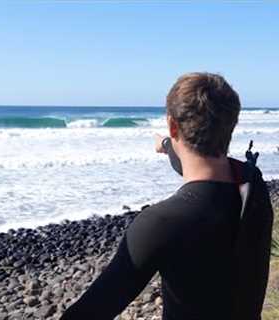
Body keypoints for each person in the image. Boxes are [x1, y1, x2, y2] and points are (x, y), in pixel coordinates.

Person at [61, 73, 273, 320]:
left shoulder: (162, 222)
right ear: (232, 124)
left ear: (173, 126)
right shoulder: (253, 188)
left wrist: (169, 140)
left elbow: (88, 313)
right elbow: (203, 163)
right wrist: (166, 143)